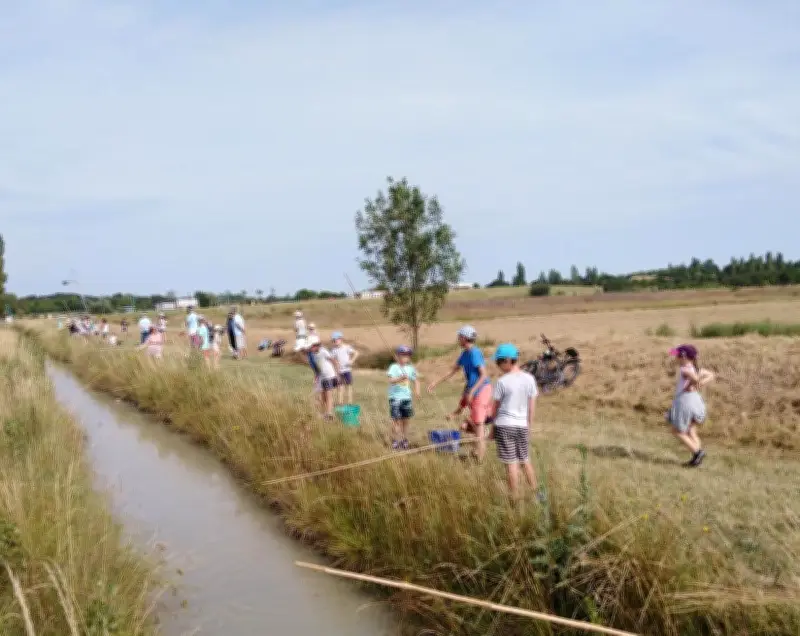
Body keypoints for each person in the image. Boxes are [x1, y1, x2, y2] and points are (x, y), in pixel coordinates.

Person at [427, 325, 492, 461]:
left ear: (464, 338)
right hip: (472, 390)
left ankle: (479, 459)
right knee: (466, 426)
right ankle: (478, 446)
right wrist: (435, 382)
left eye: (459, 337)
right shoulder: (464, 354)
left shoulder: (474, 353)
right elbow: (452, 371)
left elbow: (484, 375)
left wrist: (473, 391)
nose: (458, 339)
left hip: (482, 389)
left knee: (479, 424)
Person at [487, 343, 540, 503]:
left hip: (504, 425)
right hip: (521, 425)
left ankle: (514, 499)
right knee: (525, 459)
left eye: (499, 362)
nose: (498, 366)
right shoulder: (530, 379)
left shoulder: (502, 382)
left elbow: (495, 409)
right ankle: (537, 495)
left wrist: (492, 430)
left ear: (508, 361)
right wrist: (529, 425)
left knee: (510, 463)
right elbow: (532, 406)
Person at [667, 344, 715, 467]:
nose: (675, 358)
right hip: (696, 402)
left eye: (677, 355)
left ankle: (697, 453)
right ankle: (697, 461)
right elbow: (711, 375)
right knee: (691, 431)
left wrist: (694, 383)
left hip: (685, 402)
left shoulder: (685, 369)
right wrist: (698, 383)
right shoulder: (696, 368)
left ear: (683, 357)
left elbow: (694, 379)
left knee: (677, 430)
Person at [387, 345, 420, 450]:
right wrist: (400, 378)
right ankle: (396, 440)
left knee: (406, 420)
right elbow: (390, 380)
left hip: (407, 398)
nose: (405, 357)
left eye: (407, 355)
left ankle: (405, 439)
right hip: (395, 398)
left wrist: (417, 391)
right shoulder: (393, 367)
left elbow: (416, 380)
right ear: (397, 356)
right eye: (402, 355)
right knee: (396, 421)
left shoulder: (410, 369)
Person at [308, 335, 339, 419]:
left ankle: (329, 414)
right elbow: (317, 368)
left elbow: (333, 361)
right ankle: (324, 413)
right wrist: (316, 377)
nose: (311, 348)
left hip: (329, 376)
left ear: (317, 345)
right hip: (322, 377)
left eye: (312, 346)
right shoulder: (313, 355)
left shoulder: (323, 351)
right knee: (323, 396)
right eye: (310, 346)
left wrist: (337, 374)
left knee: (328, 396)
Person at [330, 331, 359, 405]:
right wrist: (335, 368)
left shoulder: (347, 347)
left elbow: (356, 353)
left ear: (341, 339)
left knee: (348, 386)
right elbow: (332, 360)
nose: (335, 341)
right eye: (333, 340)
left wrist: (352, 361)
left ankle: (349, 403)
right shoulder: (333, 350)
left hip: (347, 370)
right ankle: (340, 403)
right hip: (339, 371)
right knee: (340, 387)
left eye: (336, 340)